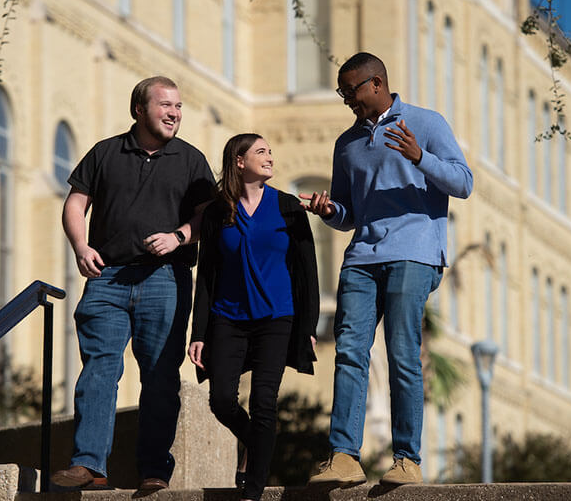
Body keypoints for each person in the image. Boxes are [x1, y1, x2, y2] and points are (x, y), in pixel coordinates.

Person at [302, 52, 473, 486]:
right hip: (362, 258)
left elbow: (463, 183)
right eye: (342, 93)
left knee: (401, 354)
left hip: (414, 253)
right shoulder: (347, 143)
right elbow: (349, 213)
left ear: (376, 83)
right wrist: (328, 211)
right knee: (350, 353)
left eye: (351, 91)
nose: (347, 101)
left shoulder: (426, 123)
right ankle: (343, 457)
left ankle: (406, 460)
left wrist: (420, 157)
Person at [50, 76, 216, 491]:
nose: (174, 113)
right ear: (139, 110)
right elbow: (75, 203)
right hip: (108, 278)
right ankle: (89, 464)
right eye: (165, 105)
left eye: (178, 106)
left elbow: (209, 217)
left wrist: (179, 235)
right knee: (99, 370)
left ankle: (154, 471)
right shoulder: (105, 152)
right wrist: (80, 246)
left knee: (160, 377)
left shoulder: (192, 160)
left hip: (166, 280)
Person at [188, 133, 320, 501]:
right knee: (222, 401)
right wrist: (199, 332)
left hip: (278, 319)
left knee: (264, 402)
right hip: (228, 318)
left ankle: (252, 489)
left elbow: (307, 272)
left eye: (271, 152)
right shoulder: (217, 213)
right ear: (240, 162)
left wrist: (307, 327)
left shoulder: (288, 207)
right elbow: (208, 276)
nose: (270, 157)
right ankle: (259, 444)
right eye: (261, 151)